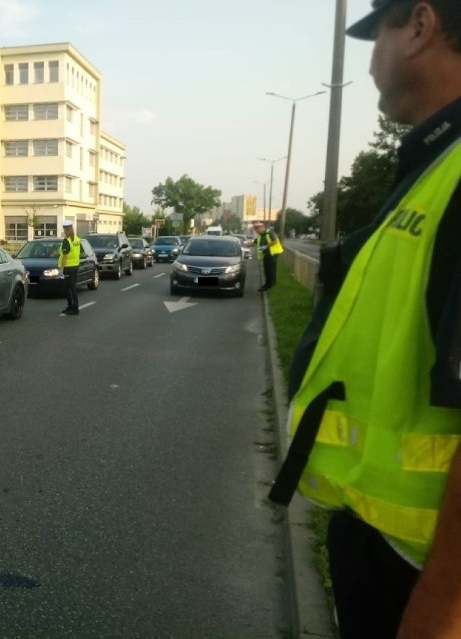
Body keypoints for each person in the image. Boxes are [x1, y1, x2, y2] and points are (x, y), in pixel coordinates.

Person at [268, 1, 461, 637]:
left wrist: (439, 611)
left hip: (423, 574)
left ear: (420, 25)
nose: (369, 60)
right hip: (391, 546)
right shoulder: (435, 165)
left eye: (373, 34)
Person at [58, 220, 80, 315]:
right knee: (72, 288)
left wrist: (61, 269)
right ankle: (71, 306)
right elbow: (79, 251)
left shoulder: (66, 241)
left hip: (68, 267)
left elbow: (65, 256)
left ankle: (74, 308)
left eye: (64, 229)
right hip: (75, 265)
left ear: (67, 229)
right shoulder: (76, 238)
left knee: (69, 289)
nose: (64, 231)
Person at [253, 220, 283, 291]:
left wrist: (266, 246)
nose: (256, 231)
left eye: (257, 229)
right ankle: (271, 284)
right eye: (255, 229)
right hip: (267, 254)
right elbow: (256, 241)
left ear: (261, 227)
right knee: (269, 270)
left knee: (269, 270)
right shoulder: (261, 235)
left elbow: (275, 241)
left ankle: (268, 286)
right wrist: (248, 244)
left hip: (272, 253)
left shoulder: (270, 232)